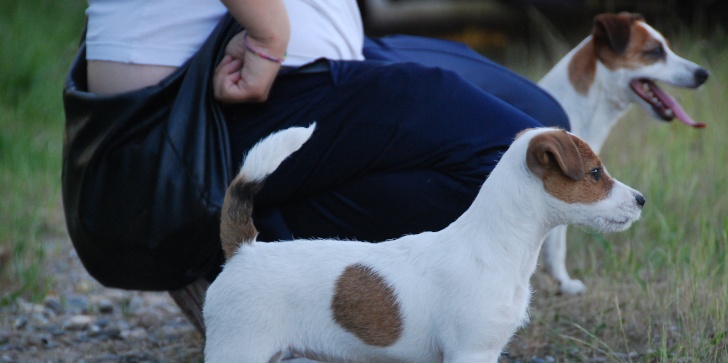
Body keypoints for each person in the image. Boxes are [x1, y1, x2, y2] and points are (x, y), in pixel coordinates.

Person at [75, 0, 569, 336]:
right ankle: (265, 288)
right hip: (187, 114)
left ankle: (268, 263)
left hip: (323, 62)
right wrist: (269, 33)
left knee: (540, 121)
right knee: (518, 160)